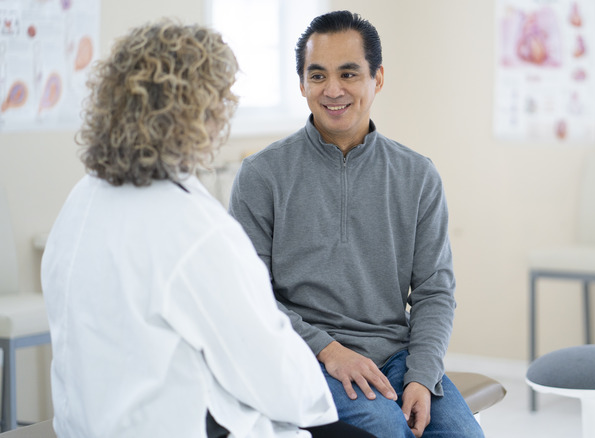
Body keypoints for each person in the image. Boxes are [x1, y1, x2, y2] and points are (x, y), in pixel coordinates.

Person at [41, 19, 374, 438]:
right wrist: (314, 399)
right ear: (197, 113)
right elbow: (269, 368)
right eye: (221, 101)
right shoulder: (190, 227)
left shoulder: (83, 199)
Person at [228, 10, 484, 438]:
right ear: (302, 83)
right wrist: (329, 350)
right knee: (386, 429)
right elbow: (248, 297)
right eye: (317, 76)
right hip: (306, 354)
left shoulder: (418, 175)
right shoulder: (261, 175)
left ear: (377, 78)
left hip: (396, 356)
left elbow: (434, 292)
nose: (332, 90)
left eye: (349, 74)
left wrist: (421, 374)